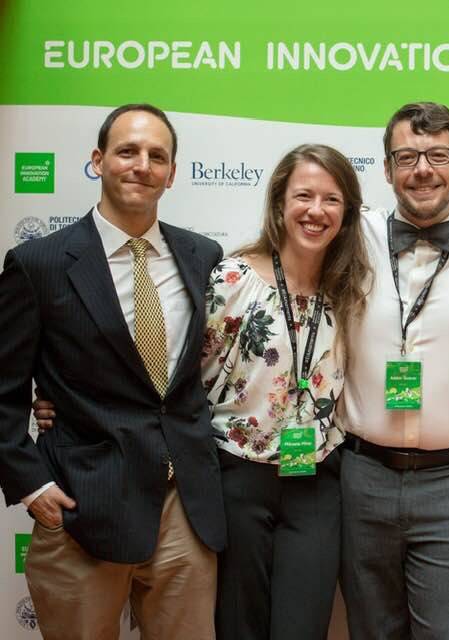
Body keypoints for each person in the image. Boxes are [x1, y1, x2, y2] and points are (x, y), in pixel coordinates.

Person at [0, 104, 226, 639]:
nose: (142, 165)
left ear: (172, 173)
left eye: (157, 156)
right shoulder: (39, 264)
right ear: (98, 160)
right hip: (83, 508)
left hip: (184, 509)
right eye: (128, 151)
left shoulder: (203, 256)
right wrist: (31, 485)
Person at [337, 101, 449, 639]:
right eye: (407, 157)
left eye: (438, 155)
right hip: (361, 478)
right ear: (387, 169)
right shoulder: (348, 235)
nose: (423, 170)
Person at [202, 144, 371, 639]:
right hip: (238, 477)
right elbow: (189, 380)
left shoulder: (351, 289)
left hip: (315, 481)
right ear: (279, 202)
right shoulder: (233, 280)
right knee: (239, 625)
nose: (316, 211)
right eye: (304, 196)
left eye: (331, 199)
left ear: (347, 212)